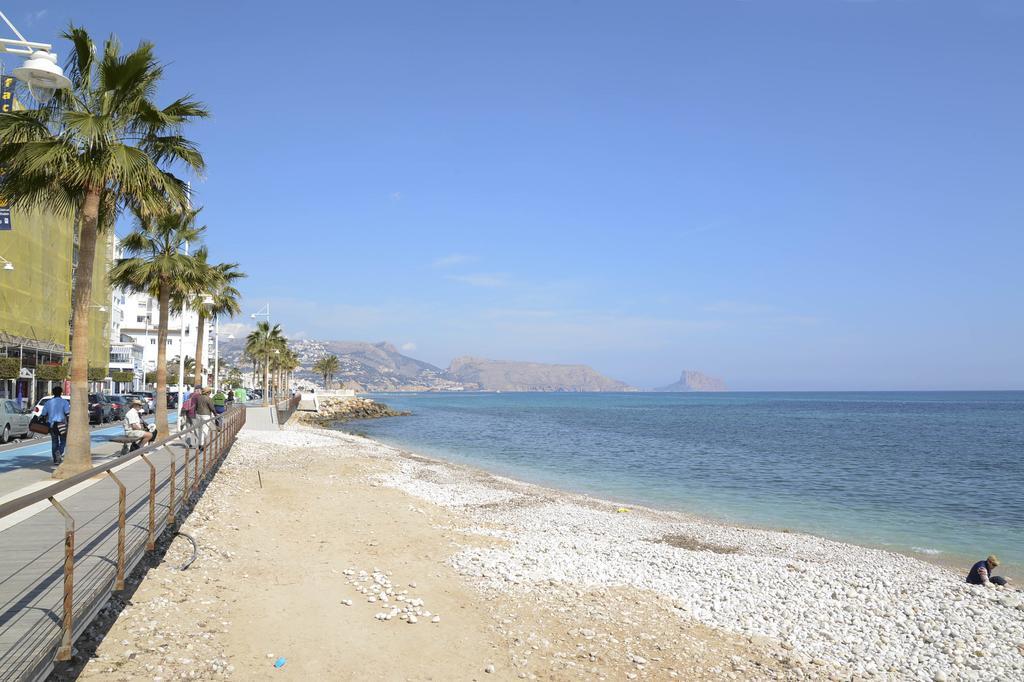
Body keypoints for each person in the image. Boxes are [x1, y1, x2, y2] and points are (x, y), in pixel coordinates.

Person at [40, 386, 70, 465]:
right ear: (61, 393)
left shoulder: (48, 402)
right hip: (62, 424)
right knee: (63, 441)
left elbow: (43, 414)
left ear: (53, 393)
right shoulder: (65, 402)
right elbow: (67, 414)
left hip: (51, 425)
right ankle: (59, 452)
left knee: (54, 441)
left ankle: (55, 459)